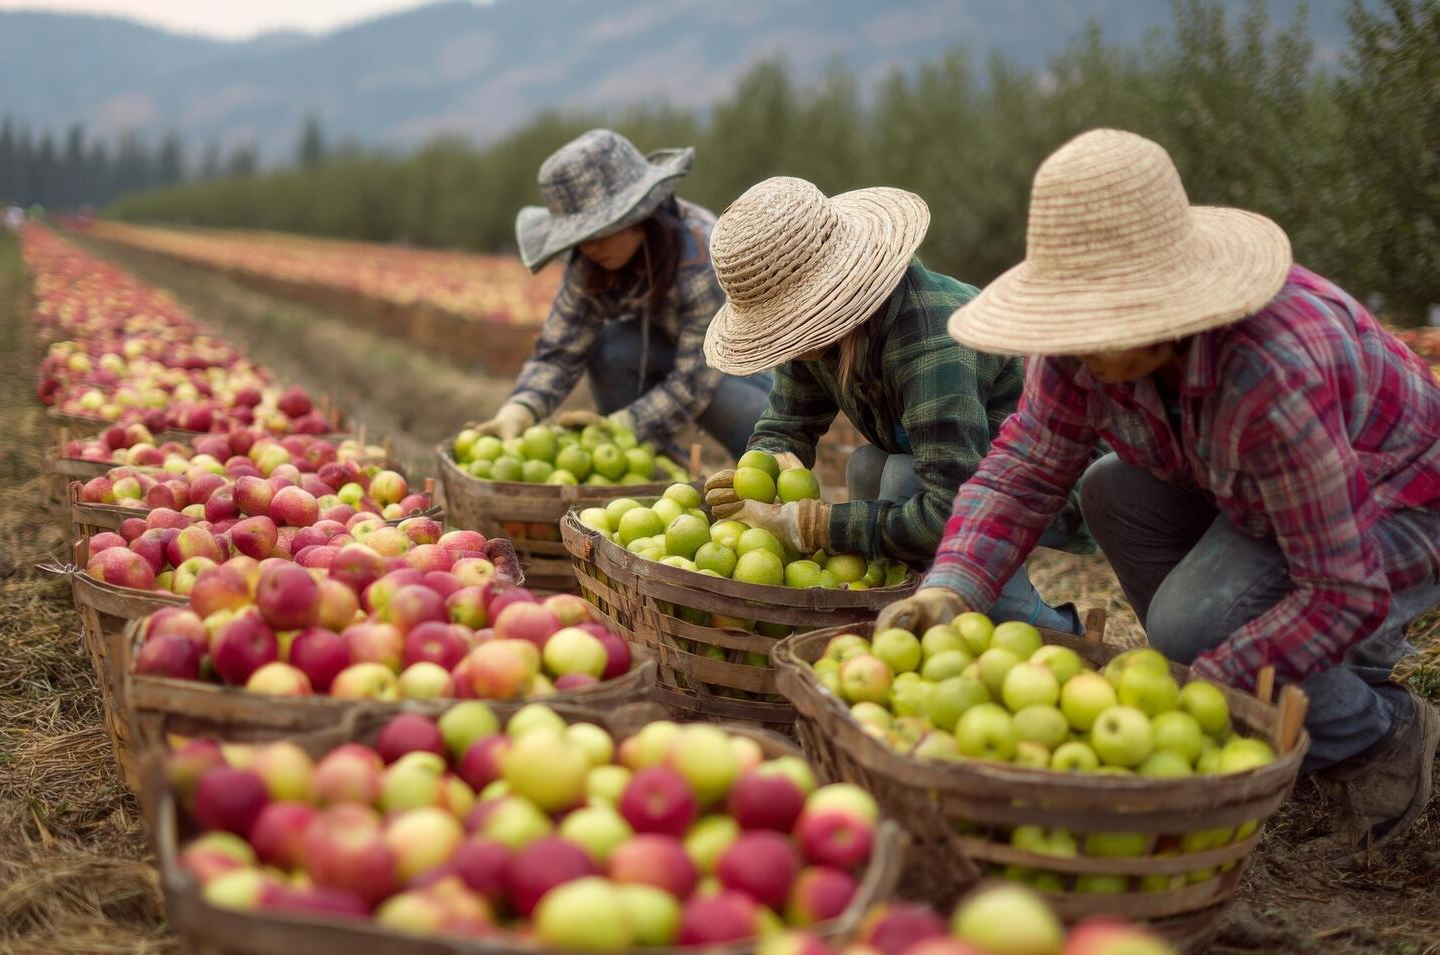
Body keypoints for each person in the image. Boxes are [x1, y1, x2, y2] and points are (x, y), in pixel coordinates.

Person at [878, 129, 1440, 864]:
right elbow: (1024, 468)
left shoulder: (1270, 375)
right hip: (1263, 493)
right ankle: (1302, 688)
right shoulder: (1085, 351)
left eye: (1106, 324)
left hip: (1390, 503)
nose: (1081, 346)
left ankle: (1382, 740)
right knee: (1110, 489)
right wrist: (950, 587)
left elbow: (1342, 589)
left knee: (1191, 626)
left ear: (1171, 311)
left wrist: (1205, 686)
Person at [701, 176, 1086, 633]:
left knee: (903, 478)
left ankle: (1056, 634)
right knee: (866, 466)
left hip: (1046, 486)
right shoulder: (820, 340)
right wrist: (763, 466)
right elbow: (787, 423)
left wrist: (820, 527)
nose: (791, 341)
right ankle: (888, 596)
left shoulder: (936, 339)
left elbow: (953, 507)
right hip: (956, 474)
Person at [475, 129, 770, 456]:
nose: (590, 245)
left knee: (759, 446)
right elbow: (561, 348)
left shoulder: (701, 259)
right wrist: (521, 407)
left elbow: (696, 380)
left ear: (639, 214)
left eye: (600, 230)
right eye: (580, 236)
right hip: (664, 357)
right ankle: (653, 463)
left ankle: (763, 459)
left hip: (737, 371)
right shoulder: (588, 263)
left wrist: (621, 426)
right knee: (610, 347)